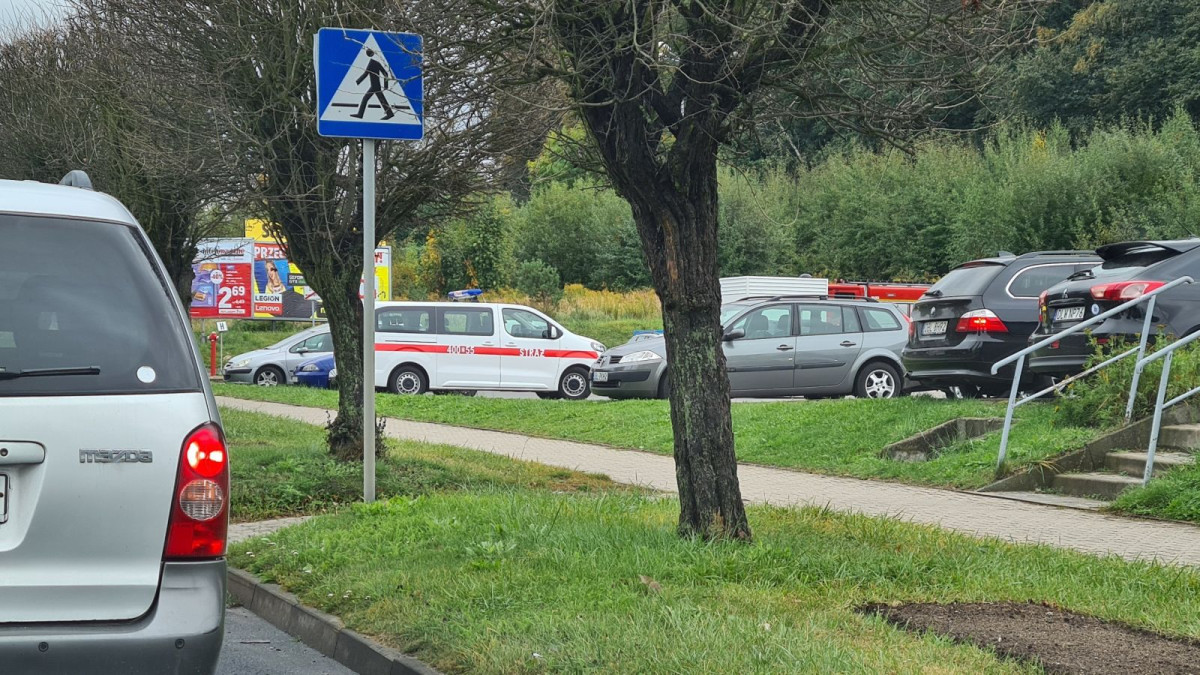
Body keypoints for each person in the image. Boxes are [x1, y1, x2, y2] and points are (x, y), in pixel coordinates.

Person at [351, 49, 395, 120]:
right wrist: (386, 85)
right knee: (381, 99)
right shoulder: (376, 63)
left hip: (375, 86)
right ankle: (390, 114)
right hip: (376, 85)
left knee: (366, 98)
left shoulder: (372, 63)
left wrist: (357, 82)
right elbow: (385, 74)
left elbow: (366, 74)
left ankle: (360, 114)